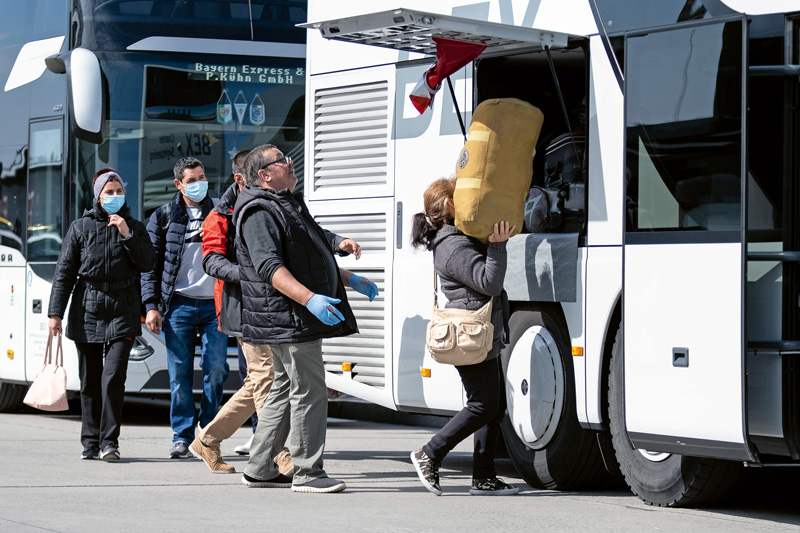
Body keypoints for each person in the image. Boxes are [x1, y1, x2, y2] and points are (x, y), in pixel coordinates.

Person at [234, 144, 378, 493]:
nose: (290, 161)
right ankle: (309, 473)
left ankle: (258, 467)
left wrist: (346, 266)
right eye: (282, 160)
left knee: (284, 389)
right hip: (288, 318)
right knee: (309, 391)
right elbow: (269, 267)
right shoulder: (258, 212)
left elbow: (312, 241)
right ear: (264, 175)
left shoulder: (286, 202)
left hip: (290, 317)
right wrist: (310, 299)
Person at [409, 177, 519, 496]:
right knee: (482, 404)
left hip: (481, 332)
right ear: (452, 205)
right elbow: (489, 283)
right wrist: (497, 246)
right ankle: (429, 453)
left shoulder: (456, 237)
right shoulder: (452, 244)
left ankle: (484, 477)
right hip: (469, 334)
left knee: (493, 406)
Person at [190, 150, 291, 474]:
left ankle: (207, 439)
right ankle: (278, 453)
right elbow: (212, 261)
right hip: (241, 307)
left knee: (255, 382)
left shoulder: (272, 204)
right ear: (242, 178)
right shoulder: (219, 217)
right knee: (265, 377)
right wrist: (250, 273)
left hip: (271, 305)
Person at [48, 168, 155, 461]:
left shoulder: (134, 226)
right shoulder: (80, 228)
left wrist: (127, 234)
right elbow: (64, 273)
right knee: (90, 380)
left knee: (113, 377)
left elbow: (148, 262)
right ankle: (90, 441)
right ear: (98, 195)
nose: (115, 196)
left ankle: (110, 442)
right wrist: (55, 313)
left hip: (123, 307)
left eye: (119, 191)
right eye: (109, 192)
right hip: (88, 307)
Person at [141, 156, 230, 459]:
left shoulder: (220, 212)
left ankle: (208, 434)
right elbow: (149, 266)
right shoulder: (163, 216)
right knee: (179, 374)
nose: (199, 183)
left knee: (216, 369)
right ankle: (182, 435)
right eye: (192, 180)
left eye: (202, 177)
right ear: (178, 184)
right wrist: (151, 306)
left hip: (213, 305)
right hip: (177, 305)